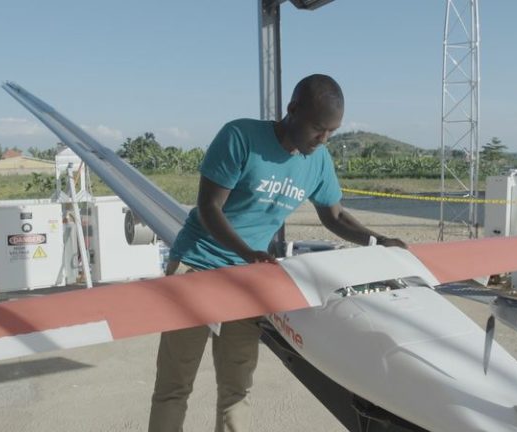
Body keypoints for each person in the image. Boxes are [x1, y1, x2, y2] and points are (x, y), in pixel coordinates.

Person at [148, 74, 406, 432]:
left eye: (331, 132)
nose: (323, 139)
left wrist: (378, 240)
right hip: (197, 265)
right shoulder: (240, 137)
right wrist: (248, 252)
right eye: (317, 128)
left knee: (236, 388)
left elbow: (334, 216)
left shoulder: (318, 160)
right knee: (175, 386)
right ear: (292, 109)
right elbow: (209, 207)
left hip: (247, 279)